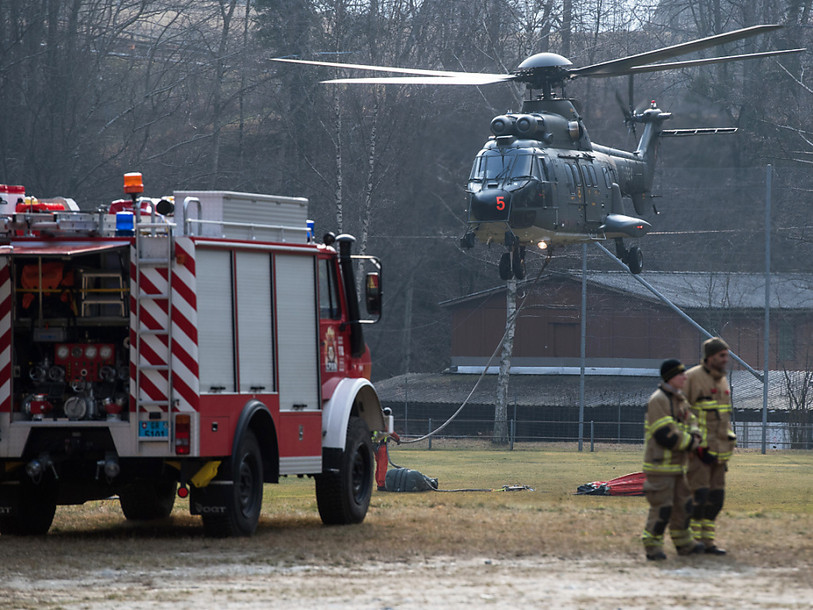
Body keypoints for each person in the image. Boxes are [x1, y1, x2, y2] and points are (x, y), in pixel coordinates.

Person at [641, 358, 704, 560]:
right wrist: (693, 443)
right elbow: (665, 434)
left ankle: (685, 544)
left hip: (677, 467)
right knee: (663, 509)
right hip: (661, 467)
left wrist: (695, 434)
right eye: (680, 374)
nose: (685, 377)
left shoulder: (680, 400)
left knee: (683, 507)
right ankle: (653, 547)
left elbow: (692, 421)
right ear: (670, 377)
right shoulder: (658, 400)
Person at [684, 337, 736, 555]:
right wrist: (696, 443)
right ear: (711, 357)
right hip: (699, 452)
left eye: (727, 355)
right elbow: (682, 411)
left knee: (716, 499)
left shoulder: (723, 381)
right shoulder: (692, 378)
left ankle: (708, 542)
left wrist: (729, 442)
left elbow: (723, 417)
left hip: (720, 451)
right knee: (699, 496)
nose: (726, 359)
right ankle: (693, 541)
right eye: (722, 355)